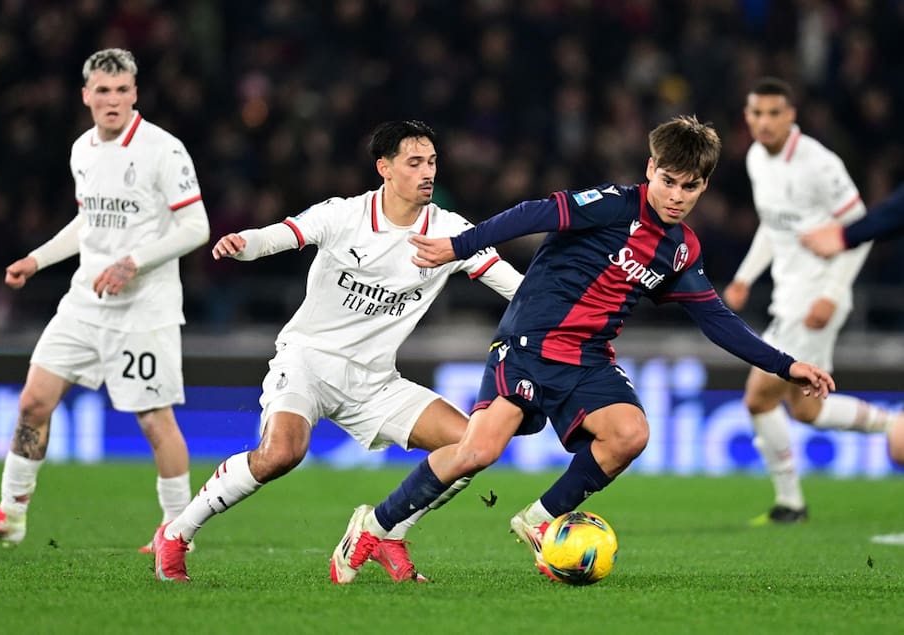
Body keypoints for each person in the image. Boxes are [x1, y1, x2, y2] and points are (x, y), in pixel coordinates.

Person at [328, 115, 836, 584]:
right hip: (529, 344)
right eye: (669, 181)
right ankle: (374, 526)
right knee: (478, 451)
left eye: (690, 187)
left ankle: (539, 520)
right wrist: (459, 247)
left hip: (588, 359)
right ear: (651, 169)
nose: (677, 196)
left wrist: (786, 365)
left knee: (630, 433)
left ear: (704, 185)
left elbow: (717, 320)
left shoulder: (680, 250)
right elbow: (533, 213)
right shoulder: (613, 204)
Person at [152, 120, 524, 583]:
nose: (428, 172)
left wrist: (569, 314)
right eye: (414, 163)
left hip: (375, 381)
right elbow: (281, 235)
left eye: (432, 162)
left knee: (473, 446)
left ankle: (387, 532)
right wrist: (244, 244)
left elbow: (516, 286)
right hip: (307, 362)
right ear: (384, 168)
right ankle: (178, 532)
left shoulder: (450, 231)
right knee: (281, 453)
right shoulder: (344, 215)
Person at [0, 49, 210, 550]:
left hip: (143, 309)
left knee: (154, 421)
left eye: (122, 90)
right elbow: (89, 222)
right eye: (103, 91)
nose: (113, 100)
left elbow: (195, 227)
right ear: (86, 95)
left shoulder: (163, 149)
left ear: (135, 93)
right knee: (33, 402)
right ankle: (10, 514)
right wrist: (38, 259)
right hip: (85, 302)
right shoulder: (82, 150)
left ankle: (177, 531)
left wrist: (133, 262)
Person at [721, 78, 904, 526]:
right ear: (747, 117)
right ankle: (891, 424)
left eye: (773, 113)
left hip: (814, 298)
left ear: (791, 116)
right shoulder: (756, 159)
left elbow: (859, 229)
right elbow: (773, 226)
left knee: (758, 397)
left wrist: (833, 293)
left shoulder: (819, 164)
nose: (764, 122)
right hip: (788, 295)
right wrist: (745, 276)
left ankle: (791, 504)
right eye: (757, 113)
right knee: (807, 409)